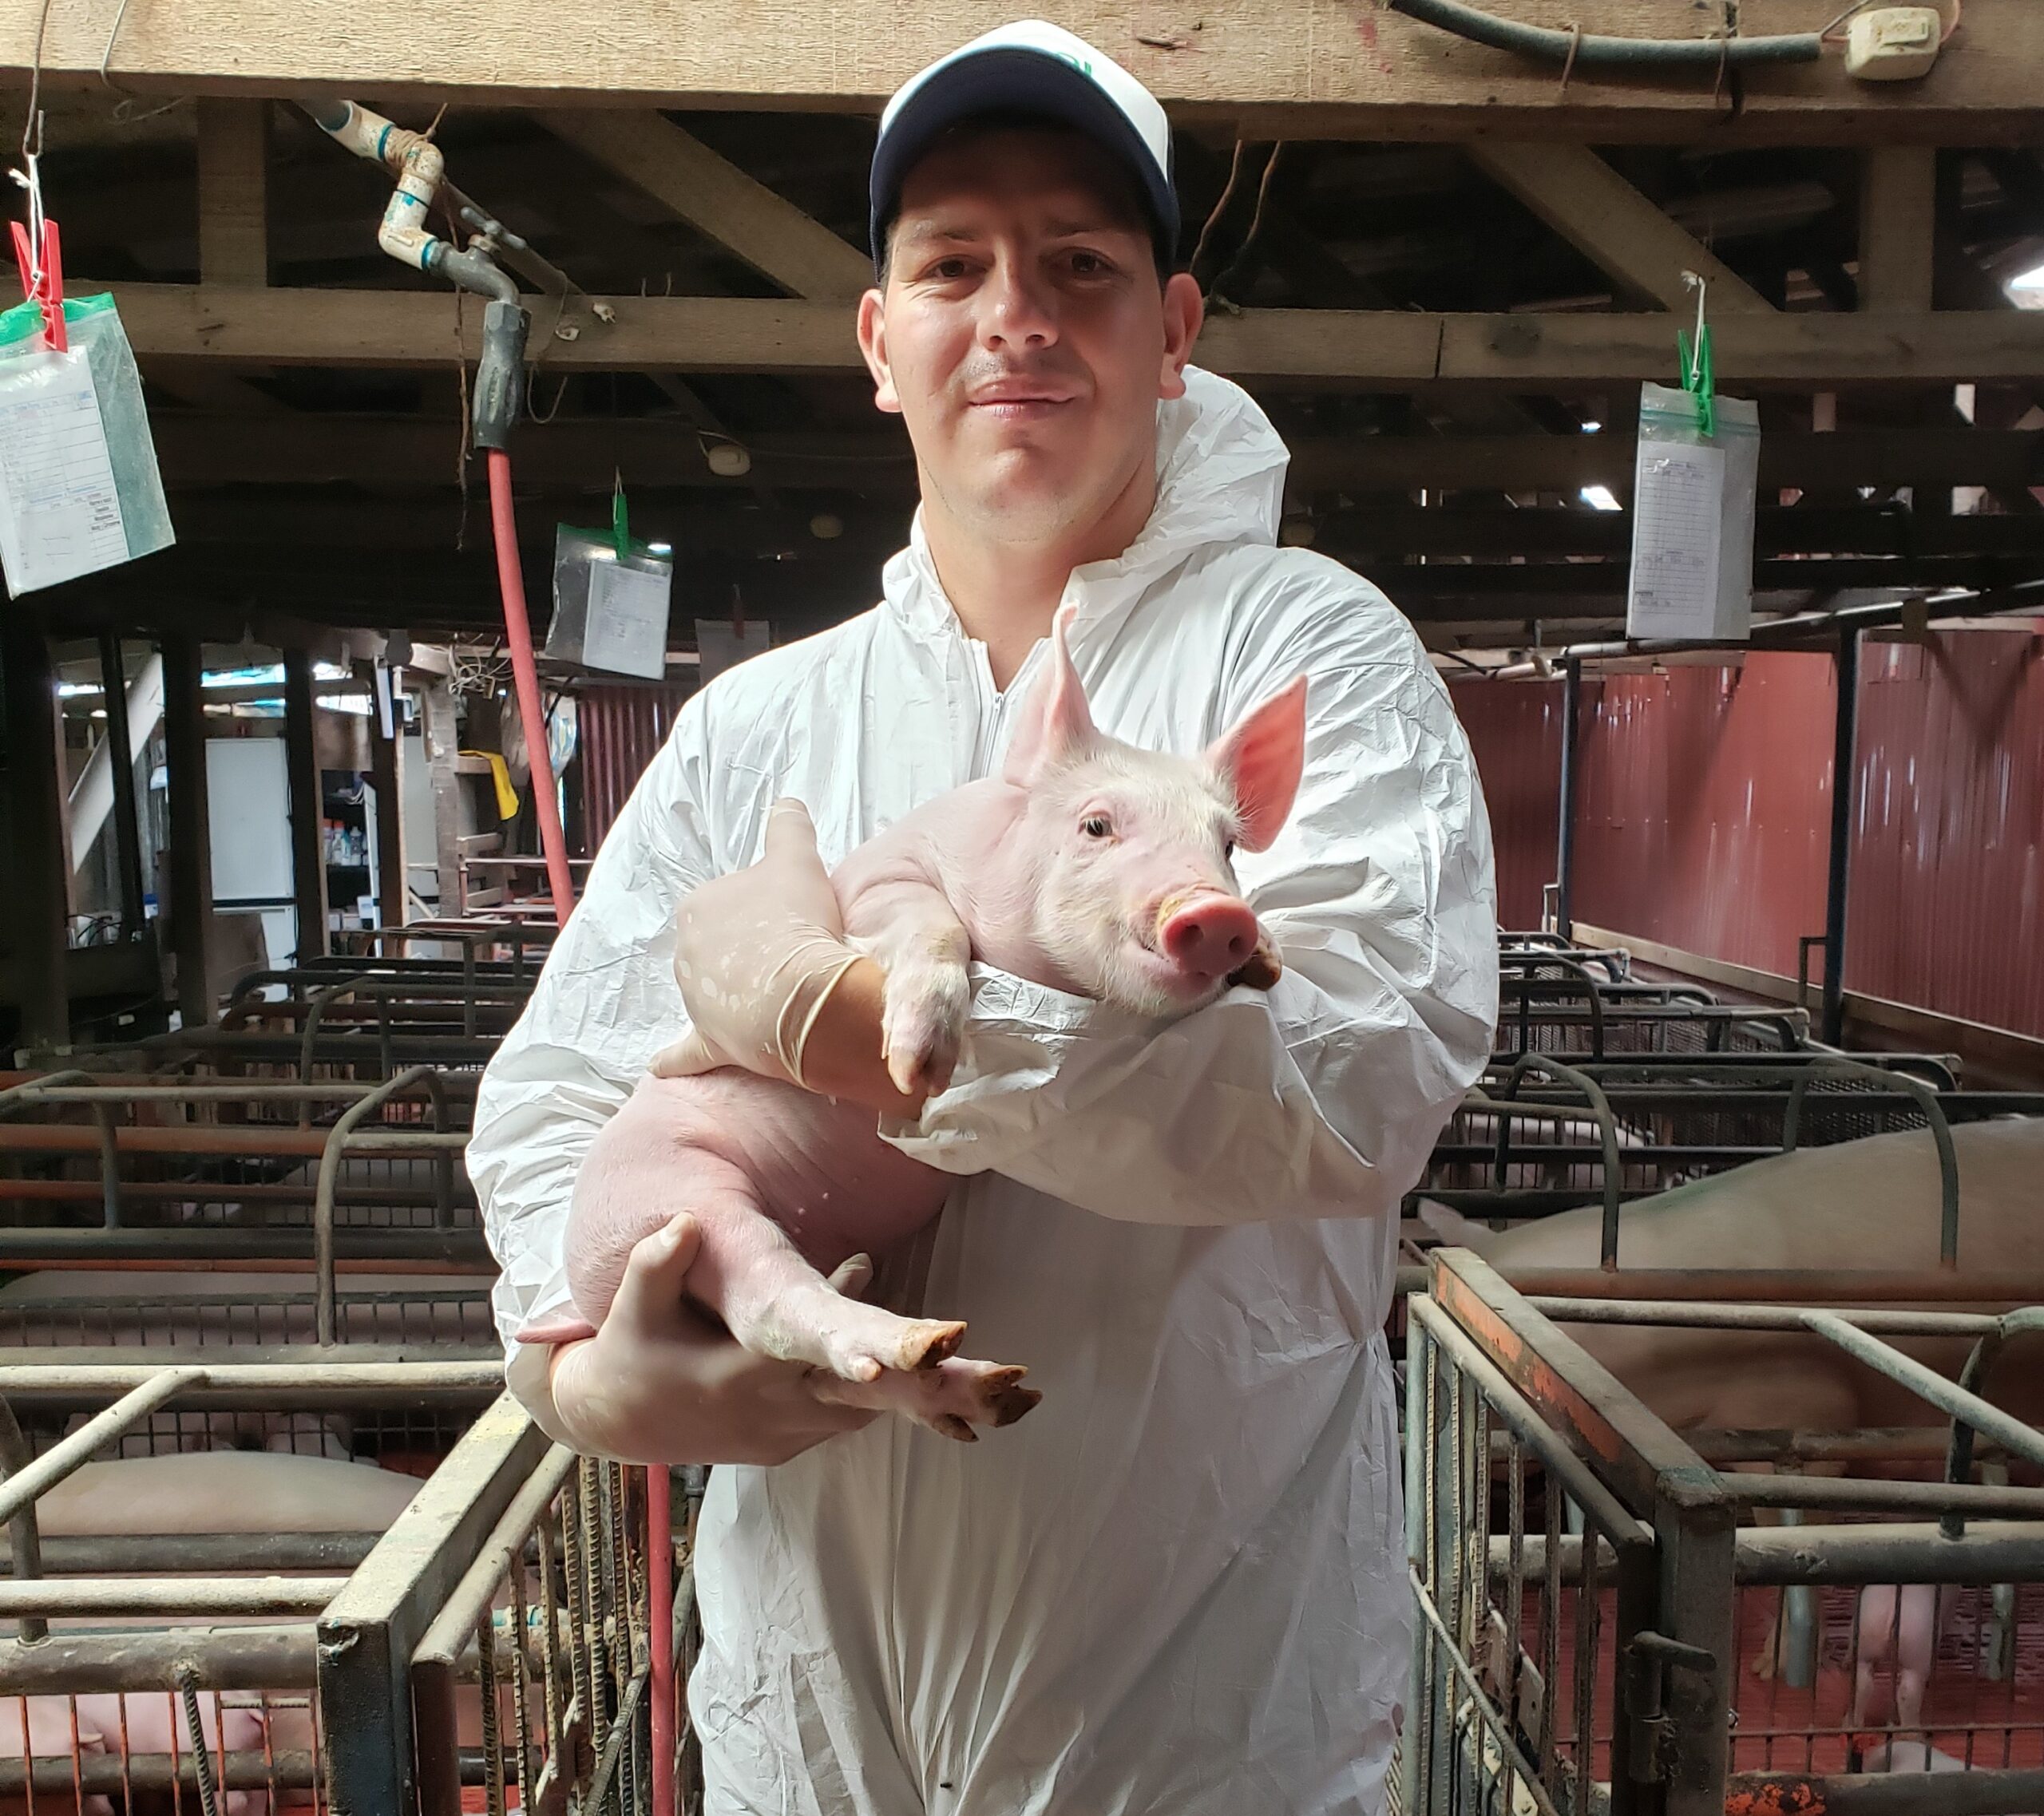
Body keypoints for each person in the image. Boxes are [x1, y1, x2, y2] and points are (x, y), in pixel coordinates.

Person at [469, 19, 1498, 1813]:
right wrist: (586, 1376)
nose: (1013, 312)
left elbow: (1361, 1073)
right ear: (882, 343)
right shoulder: (761, 727)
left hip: (1199, 1714)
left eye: (1079, 265)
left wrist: (896, 1031)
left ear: (1170, 332)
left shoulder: (1305, 650)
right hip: (811, 1721)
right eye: (951, 265)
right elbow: (560, 1103)